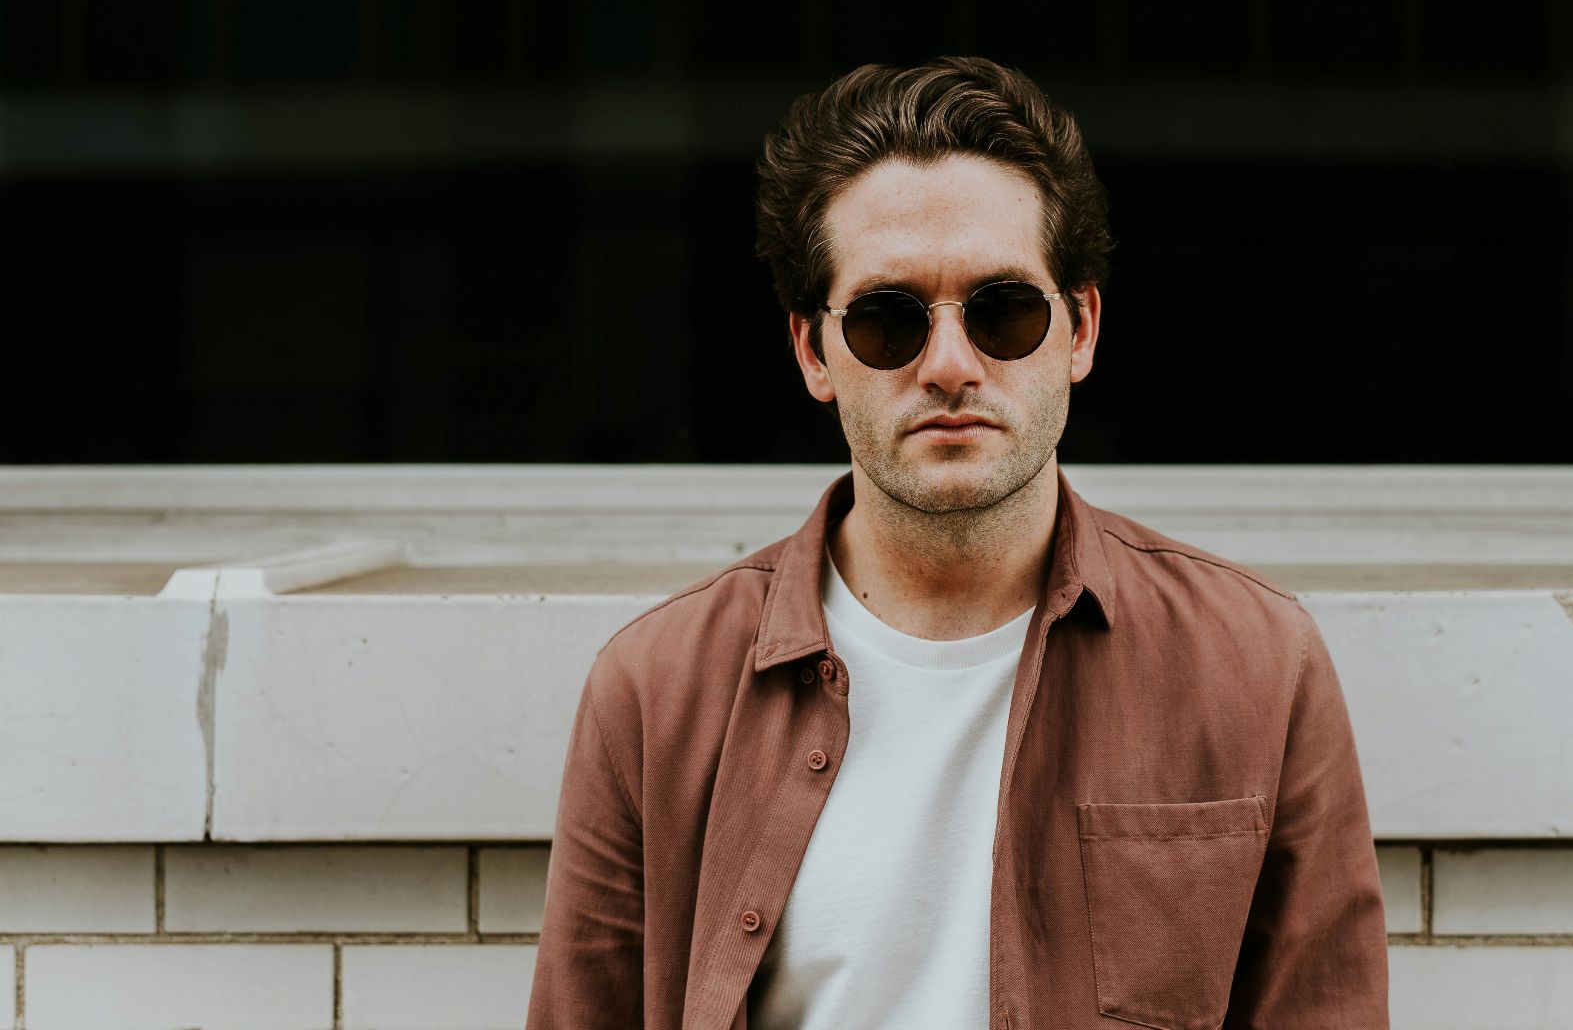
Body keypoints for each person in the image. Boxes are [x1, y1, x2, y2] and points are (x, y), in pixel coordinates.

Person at [526, 55, 1388, 1030]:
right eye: (890, 321)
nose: (948, 366)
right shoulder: (658, 691)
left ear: (1080, 330)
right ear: (814, 351)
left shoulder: (1255, 671)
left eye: (1004, 312)